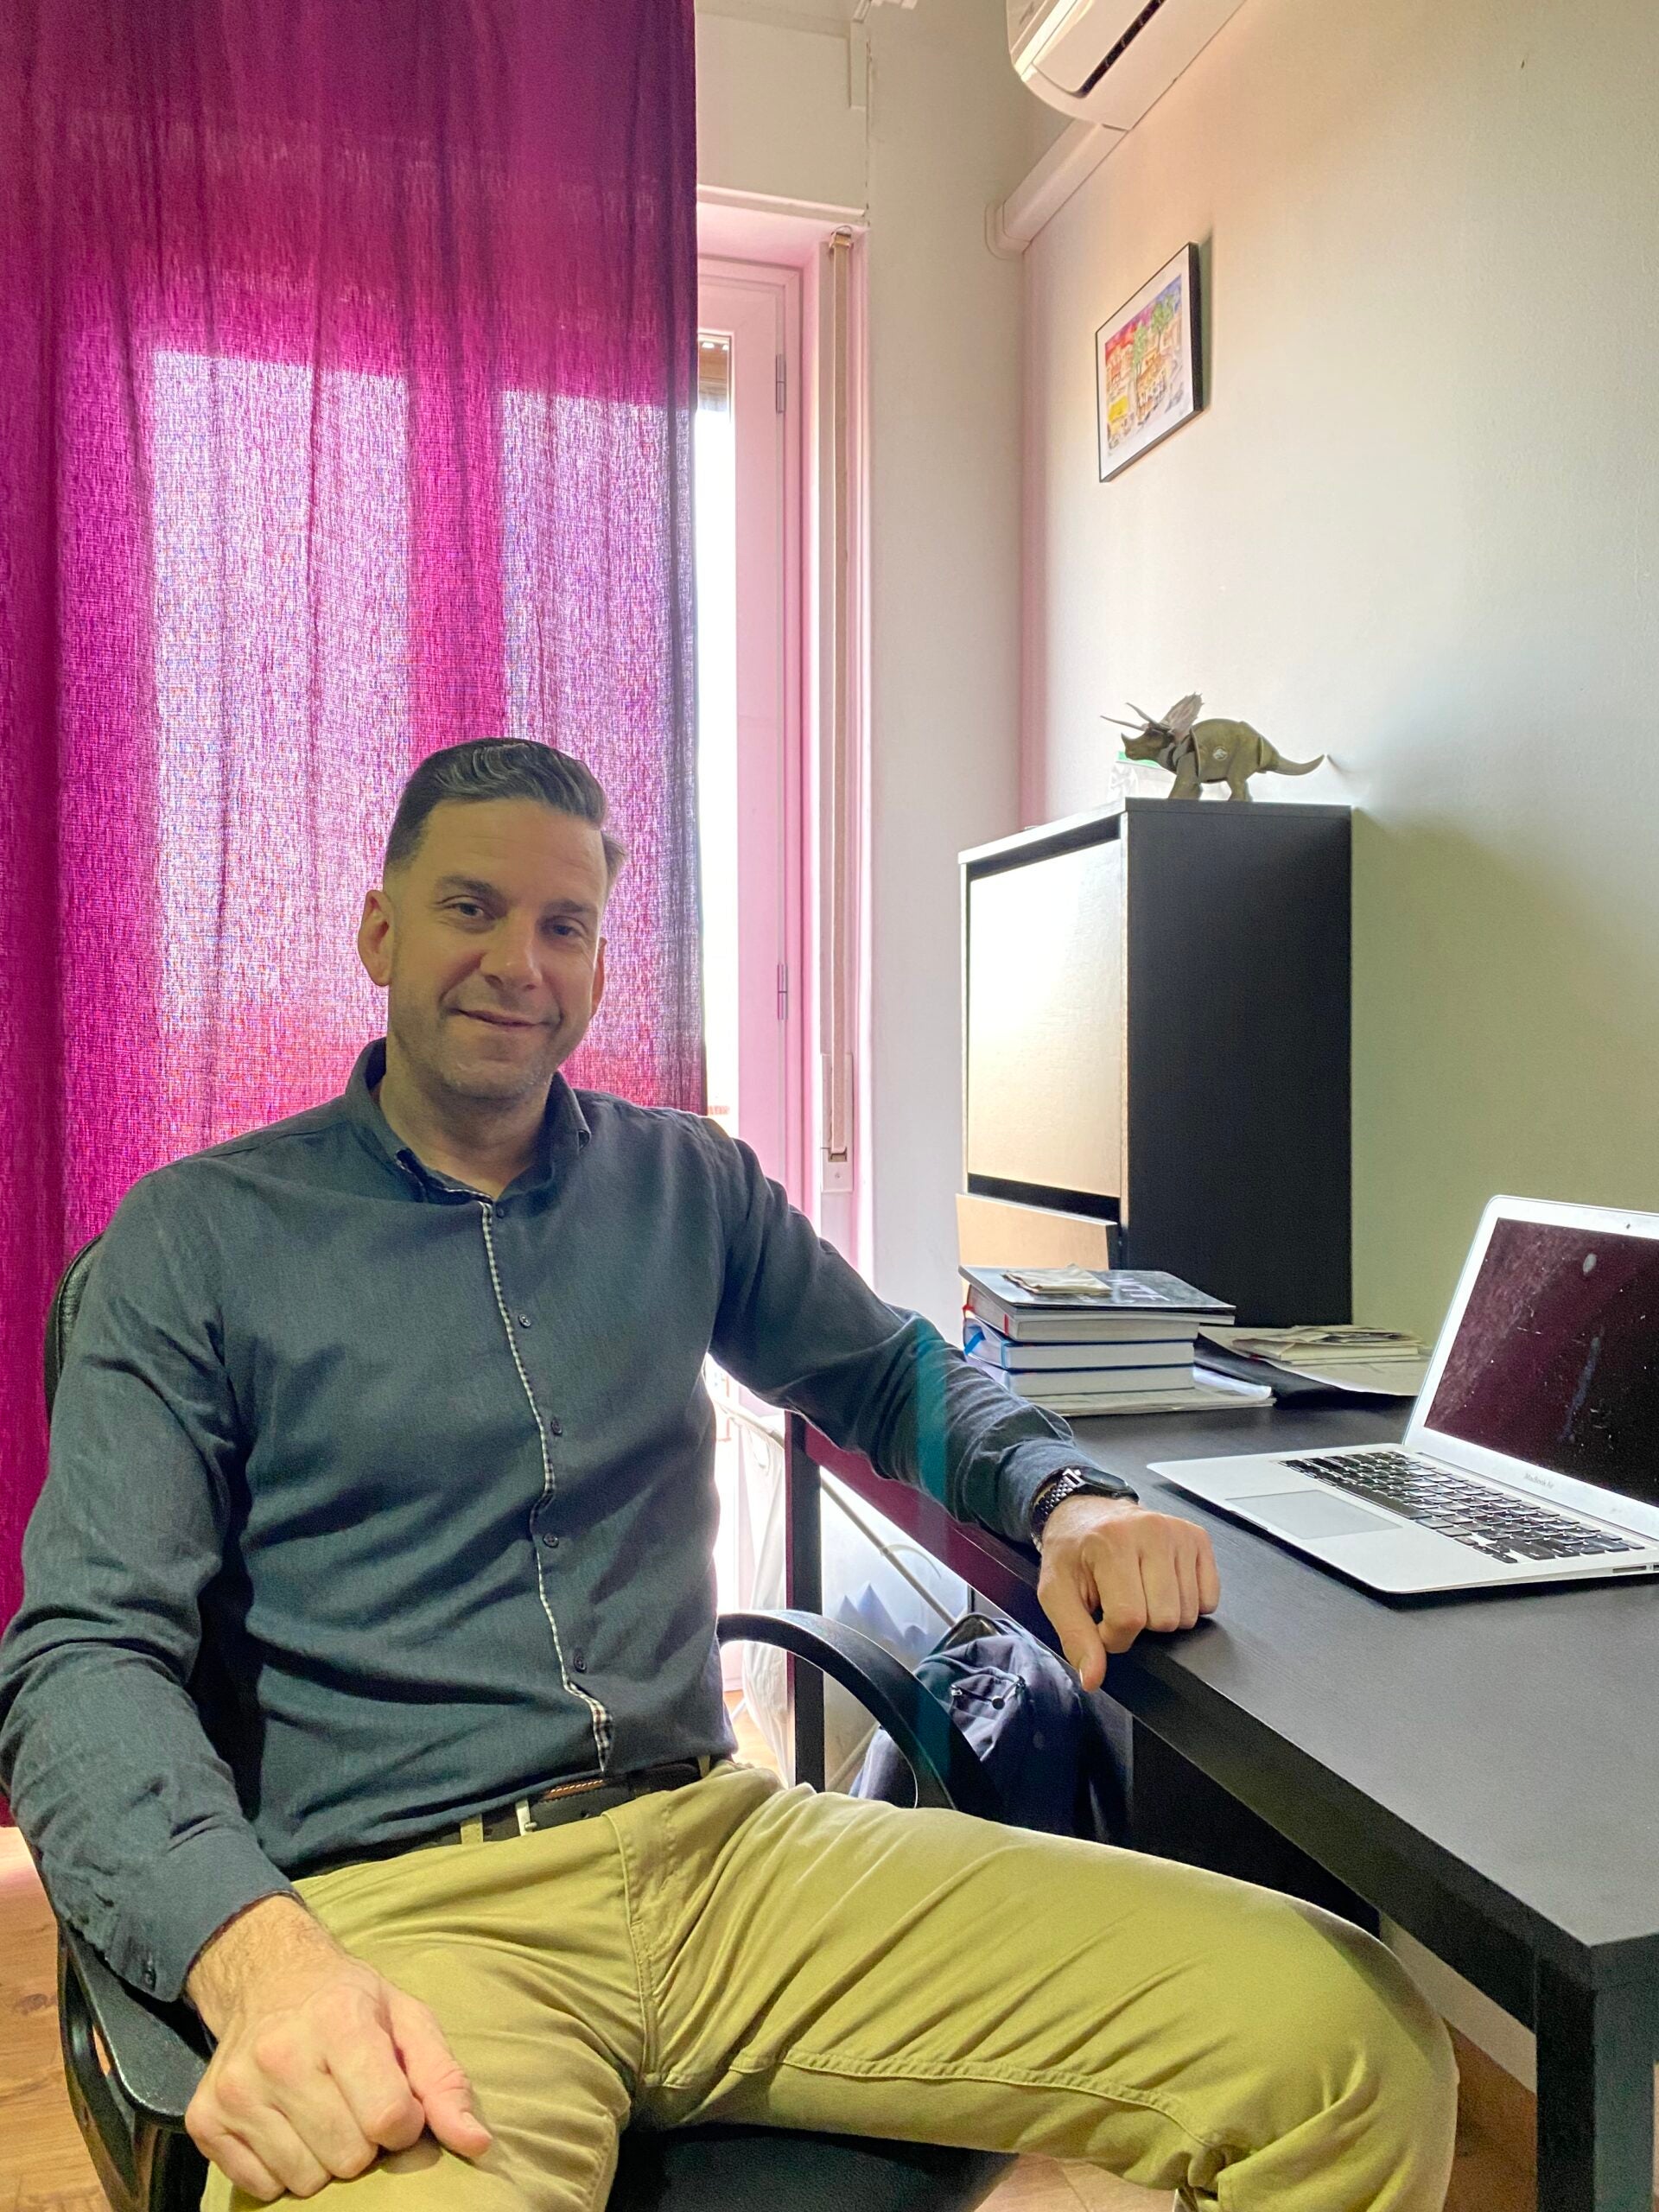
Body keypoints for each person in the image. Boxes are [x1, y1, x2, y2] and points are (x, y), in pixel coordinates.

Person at [0, 741, 1456, 2212]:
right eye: (470, 908)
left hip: (723, 1854)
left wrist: (1063, 1495)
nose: (519, 962)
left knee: (1347, 2042)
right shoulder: (194, 1242)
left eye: (564, 926)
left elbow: (891, 1372)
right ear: (379, 929)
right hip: (407, 1920)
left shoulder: (684, 1184)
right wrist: (255, 1958)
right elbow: (83, 1658)